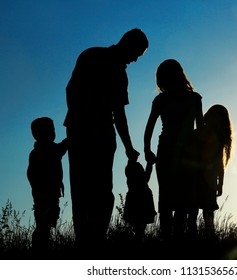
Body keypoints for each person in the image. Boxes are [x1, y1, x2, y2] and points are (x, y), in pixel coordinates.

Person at [63, 28, 148, 251]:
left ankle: (90, 241)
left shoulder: (91, 55)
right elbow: (118, 113)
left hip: (84, 131)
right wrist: (128, 147)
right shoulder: (104, 63)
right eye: (137, 53)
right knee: (95, 190)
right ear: (128, 44)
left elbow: (70, 91)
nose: (136, 59)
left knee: (85, 190)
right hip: (92, 132)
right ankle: (92, 242)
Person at [144, 59, 204, 240]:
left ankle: (168, 238)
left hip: (172, 150)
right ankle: (174, 238)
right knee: (179, 197)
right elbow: (200, 129)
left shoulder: (164, 99)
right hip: (178, 151)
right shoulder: (193, 98)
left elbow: (149, 128)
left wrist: (147, 149)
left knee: (168, 196)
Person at [27, 117, 68, 253]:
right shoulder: (46, 150)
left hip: (45, 195)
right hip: (45, 195)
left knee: (45, 223)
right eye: (51, 130)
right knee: (44, 224)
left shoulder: (37, 152)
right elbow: (62, 148)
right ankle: (39, 249)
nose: (53, 133)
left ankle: (40, 247)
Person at [194, 104, 233, 236]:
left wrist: (220, 183)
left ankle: (208, 236)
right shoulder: (200, 132)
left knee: (207, 212)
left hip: (208, 179)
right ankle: (196, 236)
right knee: (194, 211)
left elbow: (219, 164)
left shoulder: (218, 137)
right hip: (196, 176)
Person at [123, 160, 157, 241]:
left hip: (142, 203)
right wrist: (149, 163)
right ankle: (139, 238)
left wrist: (149, 163)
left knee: (139, 226)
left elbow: (147, 172)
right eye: (140, 167)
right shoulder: (134, 179)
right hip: (139, 203)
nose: (142, 168)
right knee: (138, 226)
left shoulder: (139, 179)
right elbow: (147, 172)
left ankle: (139, 237)